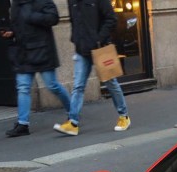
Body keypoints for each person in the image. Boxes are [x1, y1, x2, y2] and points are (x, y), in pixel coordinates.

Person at [53, 0, 131, 136]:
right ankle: (73, 122)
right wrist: (75, 39)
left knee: (111, 83)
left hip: (100, 48)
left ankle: (124, 116)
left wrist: (98, 39)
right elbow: (74, 21)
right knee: (78, 86)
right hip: (82, 50)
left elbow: (111, 18)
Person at [2, 0, 69, 137]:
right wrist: (11, 32)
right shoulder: (16, 4)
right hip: (24, 52)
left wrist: (32, 17)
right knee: (23, 87)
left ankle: (73, 113)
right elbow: (17, 25)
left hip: (42, 50)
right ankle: (23, 124)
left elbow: (53, 18)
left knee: (52, 85)